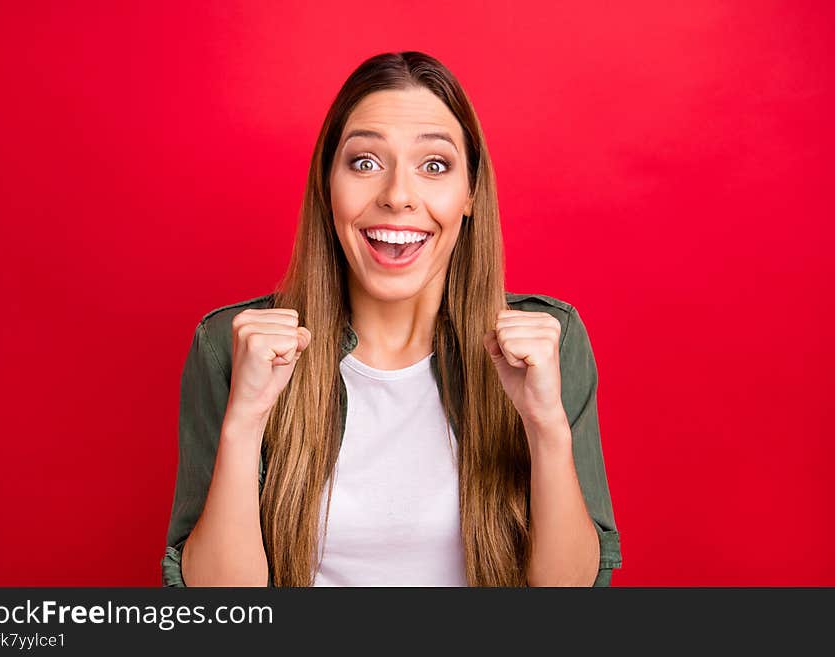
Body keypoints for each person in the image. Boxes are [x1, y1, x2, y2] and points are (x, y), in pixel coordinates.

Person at [161, 51, 621, 587]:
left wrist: (546, 426)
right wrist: (244, 423)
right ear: (326, 187)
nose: (398, 196)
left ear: (470, 193)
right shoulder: (232, 346)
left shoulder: (548, 345)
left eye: (434, 166)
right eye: (365, 163)